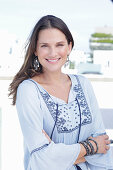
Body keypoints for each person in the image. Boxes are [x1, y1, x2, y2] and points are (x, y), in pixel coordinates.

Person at [8, 15, 113, 170]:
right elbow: (41, 159)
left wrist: (59, 154)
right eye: (44, 45)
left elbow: (103, 148)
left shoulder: (83, 84)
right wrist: (90, 147)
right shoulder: (29, 90)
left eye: (59, 45)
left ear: (69, 47)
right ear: (35, 49)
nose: (52, 53)